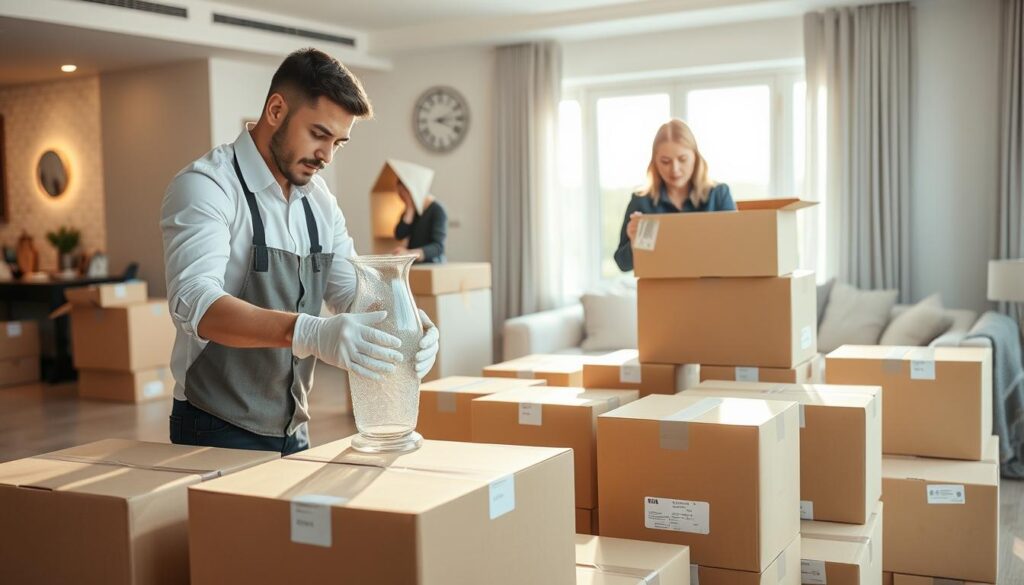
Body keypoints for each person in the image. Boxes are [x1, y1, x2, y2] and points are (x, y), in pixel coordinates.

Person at [160, 48, 439, 456]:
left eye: (338, 143)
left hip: (295, 427)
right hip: (214, 426)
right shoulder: (207, 186)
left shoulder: (319, 201)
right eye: (318, 134)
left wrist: (410, 324)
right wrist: (308, 331)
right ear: (276, 109)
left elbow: (352, 295)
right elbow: (195, 305)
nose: (326, 155)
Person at [613, 119, 736, 272]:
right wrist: (634, 242)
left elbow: (735, 251)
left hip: (712, 288)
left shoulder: (718, 194)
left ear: (695, 157)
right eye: (665, 161)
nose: (675, 169)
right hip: (662, 290)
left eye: (682, 159)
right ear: (655, 163)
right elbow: (622, 265)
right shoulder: (642, 201)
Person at [391, 176, 447, 263]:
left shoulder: (437, 210)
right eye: (401, 195)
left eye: (404, 195)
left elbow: (438, 247)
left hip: (432, 265)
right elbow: (399, 234)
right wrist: (410, 209)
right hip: (414, 265)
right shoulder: (411, 211)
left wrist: (410, 254)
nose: (403, 199)